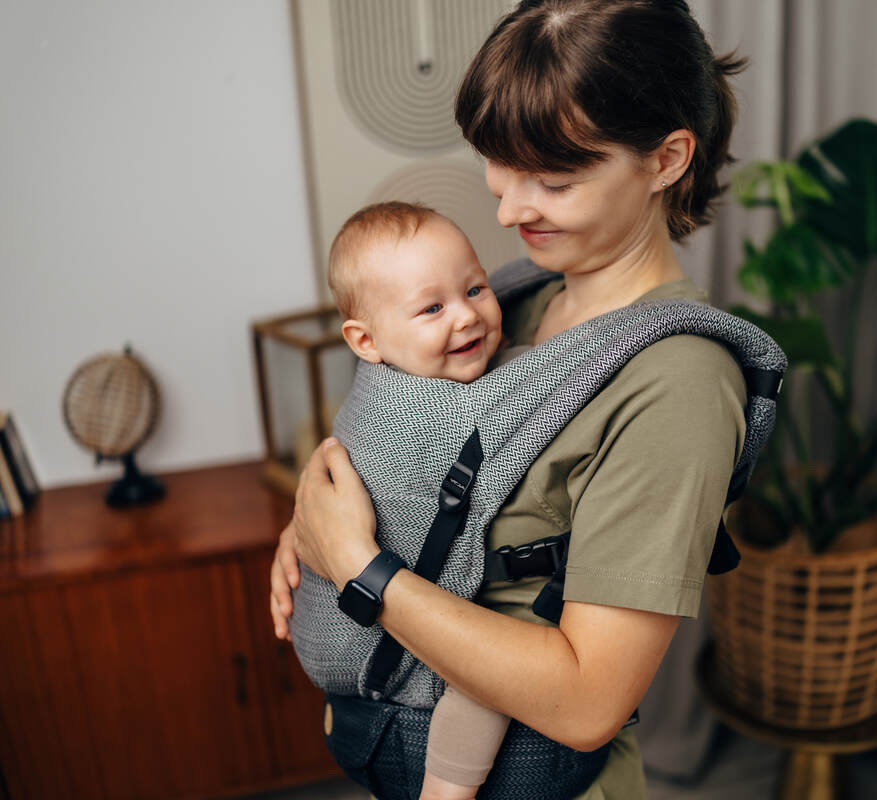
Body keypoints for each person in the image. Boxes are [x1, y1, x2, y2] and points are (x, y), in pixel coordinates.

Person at [270, 1, 749, 796]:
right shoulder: (513, 302)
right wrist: (311, 521)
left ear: (666, 159)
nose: (507, 209)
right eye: (498, 165)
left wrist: (355, 563)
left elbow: (588, 700)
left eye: (553, 181)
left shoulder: (679, 383)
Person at [322, 200, 518, 800]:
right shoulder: (411, 416)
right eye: (432, 307)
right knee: (490, 676)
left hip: (377, 606)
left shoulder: (401, 373)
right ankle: (445, 791)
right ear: (367, 341)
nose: (467, 317)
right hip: (395, 629)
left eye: (476, 288)